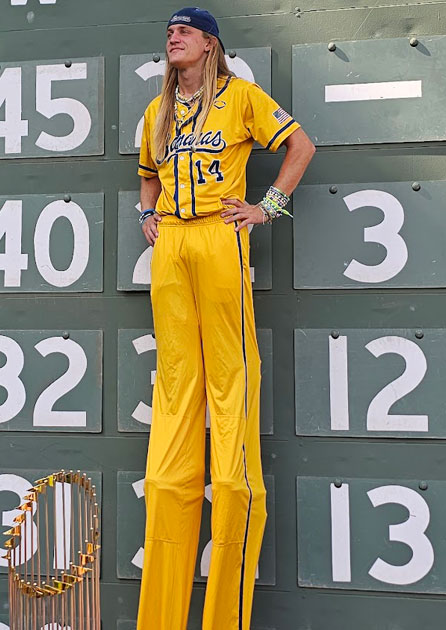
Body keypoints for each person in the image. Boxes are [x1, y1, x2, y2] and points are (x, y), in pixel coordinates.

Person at [135, 7, 315, 630]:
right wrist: (145, 216)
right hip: (173, 245)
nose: (173, 38)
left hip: (218, 235)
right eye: (169, 32)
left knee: (229, 387)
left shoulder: (239, 96)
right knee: (176, 385)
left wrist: (268, 206)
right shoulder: (157, 110)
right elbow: (147, 176)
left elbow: (301, 145)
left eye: (184, 31)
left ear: (209, 43)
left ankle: (222, 616)